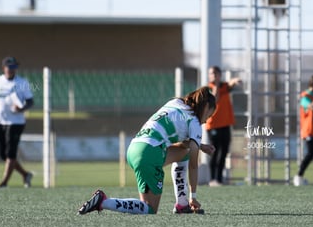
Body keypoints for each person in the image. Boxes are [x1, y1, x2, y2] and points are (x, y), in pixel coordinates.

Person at [78, 86, 216, 215]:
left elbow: (183, 143)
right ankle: (103, 202)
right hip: (150, 153)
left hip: (135, 148)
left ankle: (182, 204)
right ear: (206, 107)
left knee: (183, 153)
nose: (206, 121)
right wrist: (194, 196)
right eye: (208, 116)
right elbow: (193, 165)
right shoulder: (195, 122)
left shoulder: (176, 103)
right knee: (149, 209)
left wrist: (200, 146)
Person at [0, 56, 34, 188]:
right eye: (9, 67)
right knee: (3, 155)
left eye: (14, 67)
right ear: (4, 68)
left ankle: (4, 182)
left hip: (16, 123)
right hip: (1, 122)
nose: (12, 70)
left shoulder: (22, 82)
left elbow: (30, 101)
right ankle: (25, 174)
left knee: (11, 153)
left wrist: (22, 108)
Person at [206, 66, 241, 186]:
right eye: (212, 73)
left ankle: (219, 179)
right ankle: (212, 179)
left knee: (224, 152)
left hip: (225, 125)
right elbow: (214, 100)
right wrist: (216, 86)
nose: (214, 76)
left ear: (220, 75)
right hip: (213, 125)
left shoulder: (224, 86)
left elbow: (229, 85)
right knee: (214, 152)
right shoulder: (208, 89)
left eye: (216, 73)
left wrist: (234, 80)